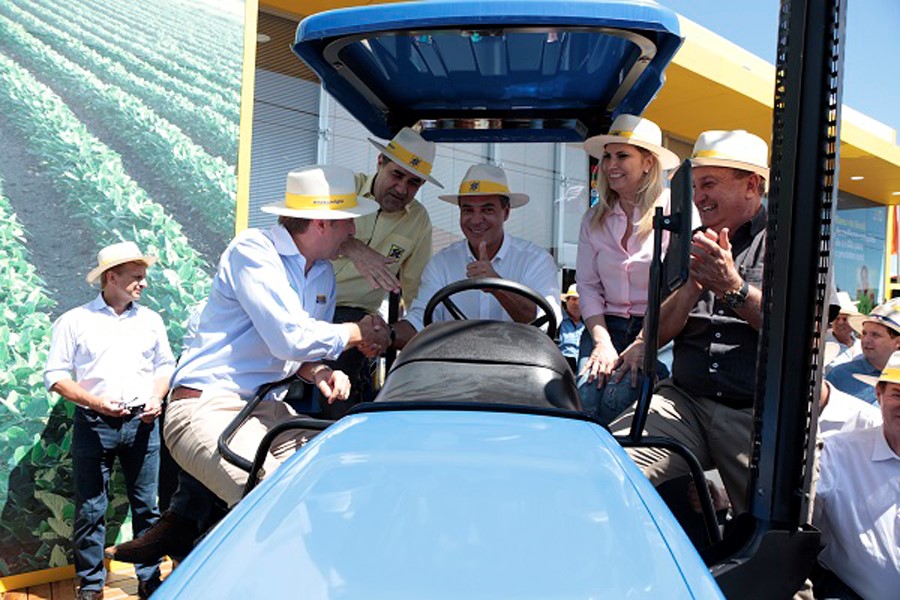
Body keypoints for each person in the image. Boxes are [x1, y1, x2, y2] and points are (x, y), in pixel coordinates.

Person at [162, 165, 390, 509]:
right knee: (273, 503)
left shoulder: (323, 274)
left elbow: (297, 353)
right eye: (348, 221)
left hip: (264, 411)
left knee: (347, 469)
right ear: (322, 223)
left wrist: (321, 372)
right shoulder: (253, 251)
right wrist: (357, 332)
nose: (353, 231)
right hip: (207, 408)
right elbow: (290, 339)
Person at [609, 129, 770, 516]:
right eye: (695, 186)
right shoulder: (687, 244)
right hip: (685, 404)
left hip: (757, 415)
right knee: (609, 469)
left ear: (751, 185)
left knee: (770, 530)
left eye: (709, 184)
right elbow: (656, 333)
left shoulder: (792, 243)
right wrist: (692, 285)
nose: (698, 197)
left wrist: (732, 286)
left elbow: (803, 335)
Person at [43, 242, 175, 600]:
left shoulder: (151, 320)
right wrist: (97, 403)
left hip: (143, 423)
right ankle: (90, 584)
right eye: (136, 277)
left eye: (144, 277)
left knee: (148, 506)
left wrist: (156, 397)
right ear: (111, 277)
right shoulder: (75, 321)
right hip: (94, 424)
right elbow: (55, 375)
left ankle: (149, 579)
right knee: (90, 508)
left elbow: (165, 365)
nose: (143, 284)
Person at [324, 127, 442, 417]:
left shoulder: (418, 220)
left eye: (414, 183)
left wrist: (417, 337)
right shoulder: (341, 187)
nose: (402, 189)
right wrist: (350, 246)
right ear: (379, 161)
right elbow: (296, 235)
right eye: (397, 175)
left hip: (357, 316)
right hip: (303, 305)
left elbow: (418, 290)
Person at [575, 114, 680, 424]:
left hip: (659, 330)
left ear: (649, 163)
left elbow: (678, 288)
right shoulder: (594, 218)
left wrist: (644, 342)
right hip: (604, 327)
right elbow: (588, 286)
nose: (610, 164)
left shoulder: (676, 212)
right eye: (607, 156)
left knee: (616, 401)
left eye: (622, 155)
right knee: (584, 401)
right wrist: (601, 342)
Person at [391, 163, 561, 347]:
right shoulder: (441, 263)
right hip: (454, 370)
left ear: (506, 212)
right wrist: (387, 334)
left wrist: (496, 285)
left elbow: (542, 323)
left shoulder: (536, 260)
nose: (476, 220)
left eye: (487, 210)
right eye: (468, 210)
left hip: (518, 368)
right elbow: (421, 321)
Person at [812, 350, 900, 599]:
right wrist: (723, 498)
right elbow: (790, 497)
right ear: (878, 395)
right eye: (897, 394)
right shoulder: (837, 452)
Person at [826, 298, 900, 405]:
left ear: (897, 342)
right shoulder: (840, 375)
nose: (865, 339)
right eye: (864, 333)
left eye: (875, 335)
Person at [823, 290, 862, 373]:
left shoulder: (862, 346)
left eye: (845, 319)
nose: (840, 323)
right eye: (837, 318)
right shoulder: (823, 345)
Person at [558, 284, 585, 372]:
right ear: (567, 301)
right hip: (560, 369)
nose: (576, 303)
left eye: (580, 300)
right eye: (573, 299)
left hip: (583, 370)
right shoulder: (558, 320)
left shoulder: (589, 324)